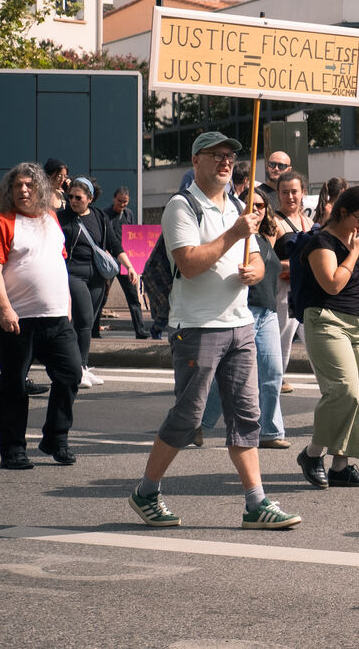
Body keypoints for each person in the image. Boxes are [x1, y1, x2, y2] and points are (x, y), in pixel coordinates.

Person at [128, 131, 300, 531]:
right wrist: (234, 234)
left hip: (240, 325)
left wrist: (253, 269)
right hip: (197, 327)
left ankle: (256, 502)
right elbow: (189, 264)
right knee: (188, 417)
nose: (226, 162)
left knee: (246, 417)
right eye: (216, 155)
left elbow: (259, 259)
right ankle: (146, 492)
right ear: (196, 161)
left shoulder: (238, 206)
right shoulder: (182, 206)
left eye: (230, 156)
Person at [0, 163, 83, 470]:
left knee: (71, 374)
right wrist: (4, 308)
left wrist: (66, 306)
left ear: (40, 189)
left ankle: (55, 438)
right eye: (17, 186)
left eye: (29, 185)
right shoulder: (2, 222)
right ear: (9, 191)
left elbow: (58, 263)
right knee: (14, 385)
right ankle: (12, 449)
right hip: (17, 319)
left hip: (56, 318)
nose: (23, 190)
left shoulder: (51, 218)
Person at [296, 186, 359, 489]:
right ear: (343, 212)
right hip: (328, 320)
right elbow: (332, 284)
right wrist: (355, 251)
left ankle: (341, 466)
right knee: (345, 391)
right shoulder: (321, 242)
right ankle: (312, 453)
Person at [197, 191, 288, 449]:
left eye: (261, 205)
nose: (256, 209)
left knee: (273, 372)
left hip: (268, 312)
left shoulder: (264, 238)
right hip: (242, 311)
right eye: (250, 205)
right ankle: (199, 425)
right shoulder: (234, 237)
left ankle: (269, 431)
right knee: (229, 377)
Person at [56, 176, 117, 389]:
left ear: (90, 199)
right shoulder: (61, 218)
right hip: (73, 275)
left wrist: (128, 266)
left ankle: (82, 367)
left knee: (87, 325)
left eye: (78, 198)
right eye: (71, 197)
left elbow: (113, 243)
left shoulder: (99, 216)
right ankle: (78, 370)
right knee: (84, 320)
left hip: (97, 276)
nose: (73, 201)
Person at [272, 169, 314, 380]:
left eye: (294, 191)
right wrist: (294, 265)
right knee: (281, 344)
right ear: (278, 194)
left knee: (317, 343)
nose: (290, 197)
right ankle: (272, 386)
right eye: (285, 192)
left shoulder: (308, 221)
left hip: (309, 291)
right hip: (285, 293)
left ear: (302, 192)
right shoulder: (273, 222)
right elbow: (265, 261)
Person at [106, 186, 150, 340]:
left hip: (125, 262)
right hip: (110, 260)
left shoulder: (129, 214)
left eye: (125, 202)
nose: (122, 205)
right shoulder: (105, 215)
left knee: (133, 298)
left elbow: (133, 237)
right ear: (114, 199)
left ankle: (140, 330)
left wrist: (134, 263)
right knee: (102, 297)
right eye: (120, 201)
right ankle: (94, 330)